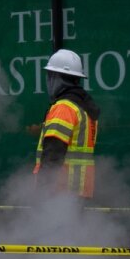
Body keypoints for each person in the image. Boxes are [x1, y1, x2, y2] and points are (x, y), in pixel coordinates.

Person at [33, 48, 99, 199]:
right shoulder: (85, 109)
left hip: (59, 193)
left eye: (50, 76)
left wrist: (42, 190)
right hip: (80, 193)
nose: (48, 81)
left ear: (58, 78)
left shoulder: (64, 108)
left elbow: (53, 153)